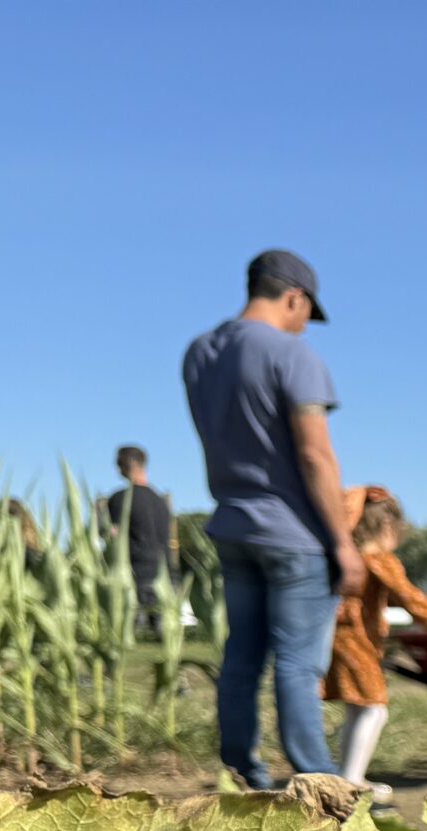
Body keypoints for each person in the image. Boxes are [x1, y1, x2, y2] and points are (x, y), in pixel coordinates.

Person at [182, 248, 364, 788]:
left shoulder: (199, 354)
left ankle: (245, 777)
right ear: (294, 296)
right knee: (297, 663)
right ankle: (321, 787)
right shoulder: (292, 355)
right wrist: (344, 545)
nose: (305, 323)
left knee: (242, 656)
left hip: (233, 525)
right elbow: (314, 456)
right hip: (295, 536)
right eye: (306, 311)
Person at [327, 485, 427, 799]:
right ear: (387, 527)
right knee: (374, 708)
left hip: (339, 635)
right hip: (355, 639)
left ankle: (346, 774)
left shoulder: (351, 557)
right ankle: (352, 779)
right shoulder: (378, 558)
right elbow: (408, 596)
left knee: (358, 709)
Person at [101, 446, 177, 622]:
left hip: (135, 578)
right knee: (162, 628)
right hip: (165, 577)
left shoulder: (120, 498)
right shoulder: (161, 501)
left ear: (122, 466)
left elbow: (112, 534)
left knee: (131, 628)